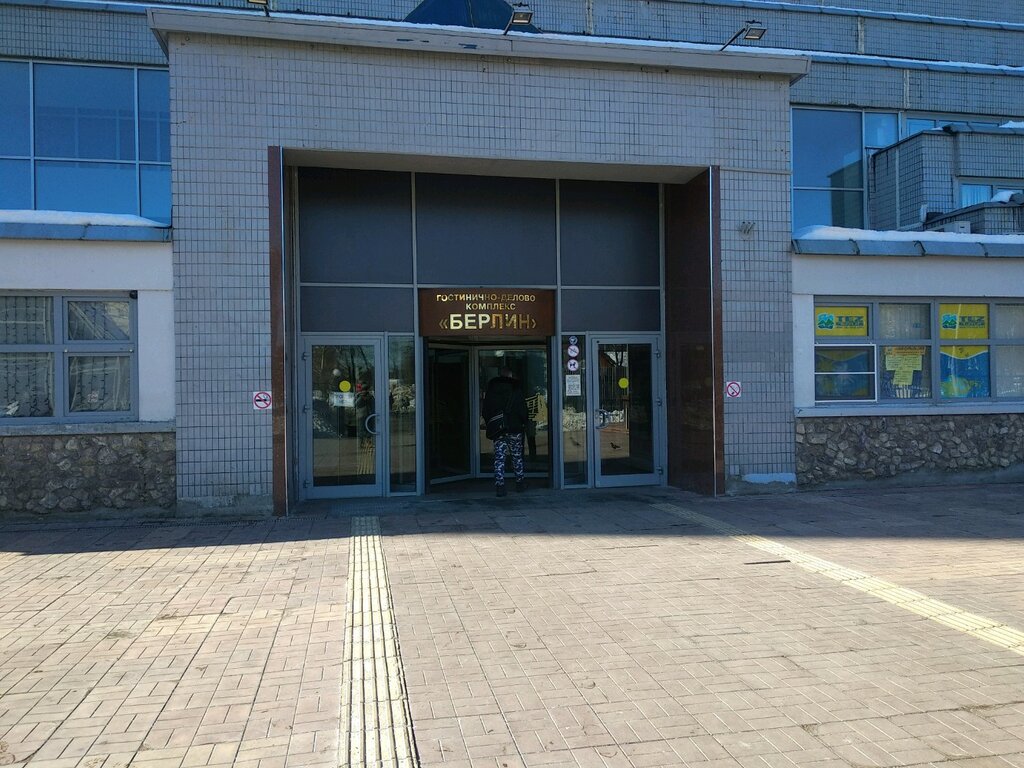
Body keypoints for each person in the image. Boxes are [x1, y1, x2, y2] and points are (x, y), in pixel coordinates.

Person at [482, 366, 529, 496]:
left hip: (499, 429)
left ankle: (500, 486)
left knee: (499, 457)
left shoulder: (492, 390)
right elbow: (522, 410)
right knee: (516, 456)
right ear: (510, 375)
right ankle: (520, 483)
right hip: (515, 428)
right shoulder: (516, 389)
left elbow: (486, 410)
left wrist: (491, 423)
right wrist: (524, 422)